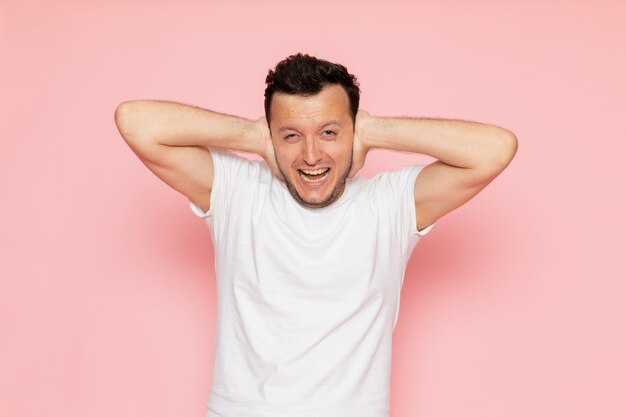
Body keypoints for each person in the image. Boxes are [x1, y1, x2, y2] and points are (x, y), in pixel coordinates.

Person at [114, 53, 517, 417]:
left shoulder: (389, 204)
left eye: (329, 133)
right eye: (291, 135)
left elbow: (495, 149)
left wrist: (376, 130)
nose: (311, 156)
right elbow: (135, 120)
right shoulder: (238, 191)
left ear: (353, 133)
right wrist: (252, 136)